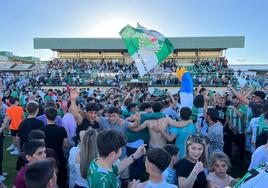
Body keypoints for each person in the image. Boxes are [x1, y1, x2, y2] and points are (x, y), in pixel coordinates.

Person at [41, 107, 68, 188]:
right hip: (59, 156)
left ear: (46, 116)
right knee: (61, 180)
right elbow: (66, 145)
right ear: (56, 117)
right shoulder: (61, 129)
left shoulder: (41, 130)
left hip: (47, 157)